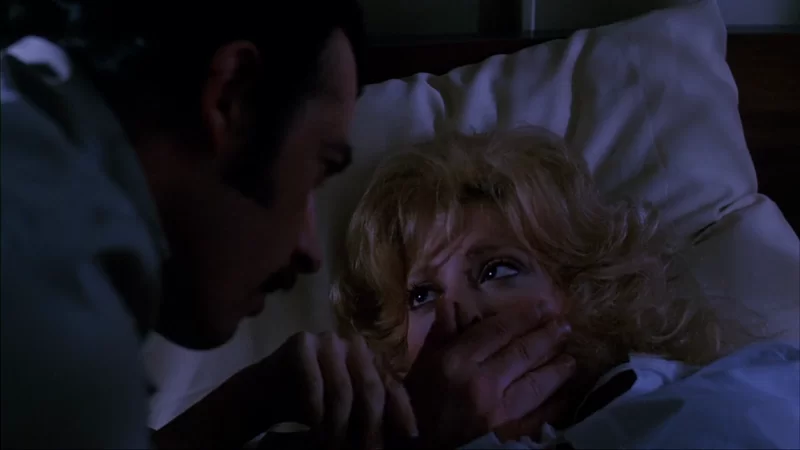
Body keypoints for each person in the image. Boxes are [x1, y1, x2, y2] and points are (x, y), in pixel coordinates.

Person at [1, 1, 421, 448]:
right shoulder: (61, 325)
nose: (310, 252)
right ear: (232, 97)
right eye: (317, 170)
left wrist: (256, 400)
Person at [332, 129, 800, 448]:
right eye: (422, 296)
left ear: (580, 288)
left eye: (497, 270)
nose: (460, 314)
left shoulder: (742, 389)